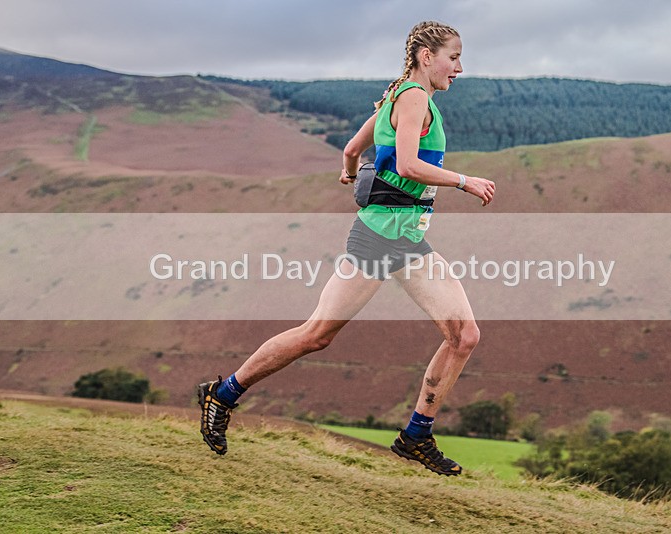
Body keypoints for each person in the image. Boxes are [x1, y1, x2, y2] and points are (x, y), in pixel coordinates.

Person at [197, 20, 496, 476]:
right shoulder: (413, 98)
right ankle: (222, 395)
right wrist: (464, 180)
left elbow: (352, 149)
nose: (459, 68)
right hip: (377, 239)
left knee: (464, 335)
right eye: (453, 58)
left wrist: (352, 172)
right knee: (317, 334)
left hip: (407, 241)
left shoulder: (397, 95)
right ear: (426, 56)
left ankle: (416, 435)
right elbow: (409, 165)